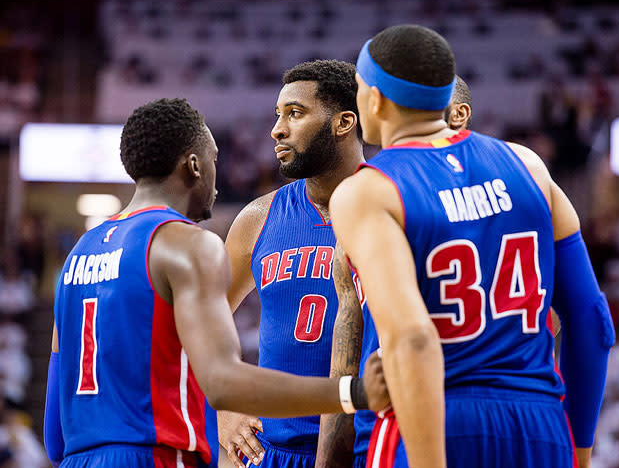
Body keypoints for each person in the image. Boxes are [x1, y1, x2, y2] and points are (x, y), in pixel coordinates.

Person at [43, 98, 389, 468]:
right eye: (214, 161)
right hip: (158, 456)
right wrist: (353, 392)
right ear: (193, 166)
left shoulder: (79, 252)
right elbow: (224, 384)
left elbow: (53, 434)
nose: (217, 183)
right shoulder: (187, 243)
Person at [330, 25, 614, 468]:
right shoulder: (529, 166)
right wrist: (577, 448)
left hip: (433, 420)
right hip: (539, 425)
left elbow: (413, 339)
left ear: (376, 100)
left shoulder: (367, 191)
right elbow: (591, 319)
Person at [315, 76, 473, 468]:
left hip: (406, 424)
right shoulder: (521, 177)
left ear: (458, 114)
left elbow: (412, 341)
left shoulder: (368, 199)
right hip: (516, 415)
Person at [217, 60, 366, 468]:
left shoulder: (394, 208)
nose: (277, 130)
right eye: (277, 115)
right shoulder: (257, 218)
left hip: (364, 448)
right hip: (270, 450)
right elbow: (200, 323)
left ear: (343, 122)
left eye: (295, 114)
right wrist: (224, 408)